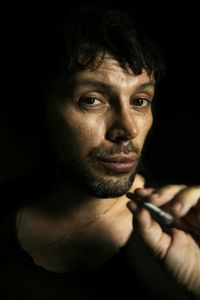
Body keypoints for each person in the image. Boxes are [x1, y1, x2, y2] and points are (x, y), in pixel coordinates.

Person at [0, 4, 200, 299]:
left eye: (140, 100)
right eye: (92, 100)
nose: (128, 129)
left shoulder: (189, 233)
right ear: (39, 108)